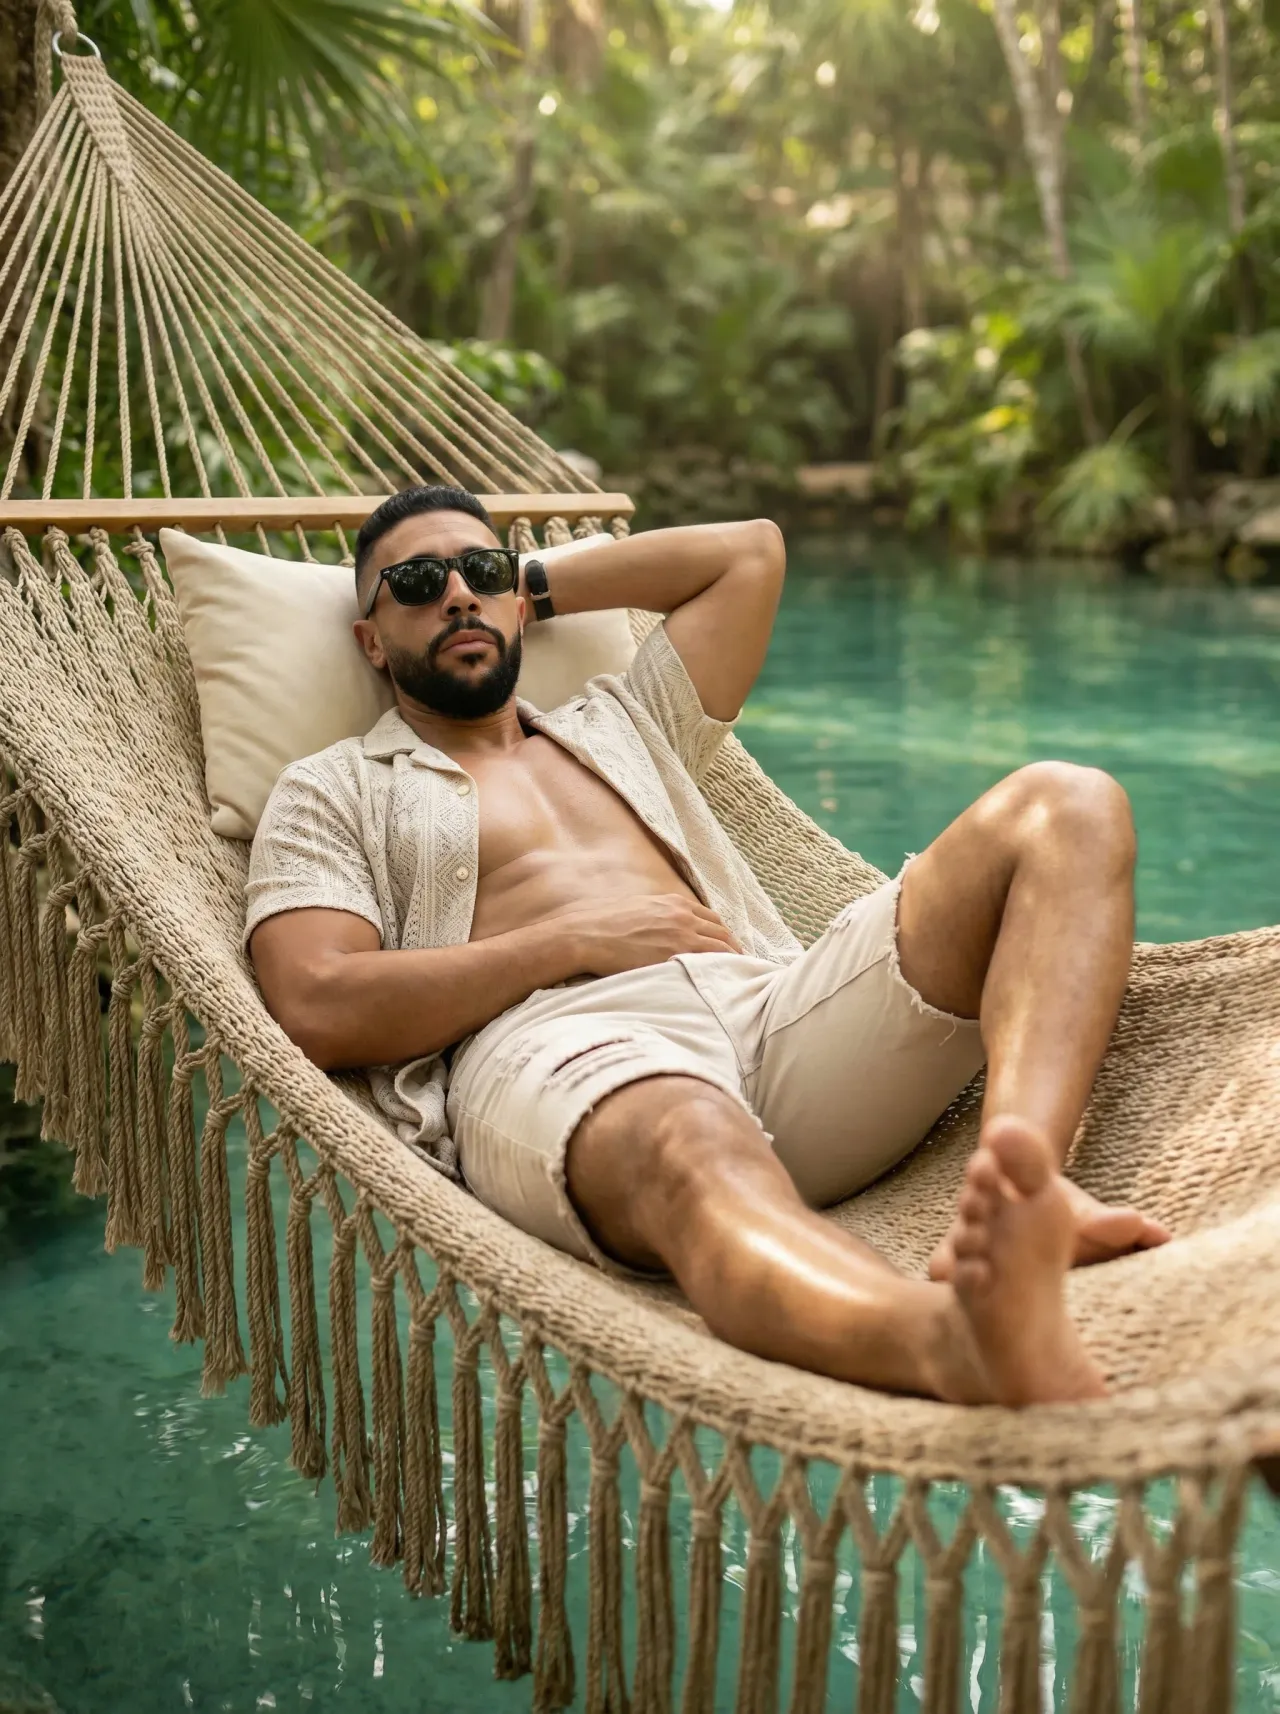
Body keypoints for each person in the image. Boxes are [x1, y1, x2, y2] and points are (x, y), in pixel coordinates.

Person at [247, 484, 1170, 1407]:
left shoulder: (622, 723)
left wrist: (525, 577)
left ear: (517, 600)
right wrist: (573, 939)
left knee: (1069, 805)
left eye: (479, 573)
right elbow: (318, 1001)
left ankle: (1026, 1191)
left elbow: (751, 555)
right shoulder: (333, 788)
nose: (455, 596)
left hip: (771, 1012)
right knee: (690, 1138)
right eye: (413, 583)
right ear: (370, 638)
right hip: (565, 1055)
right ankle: (945, 1340)